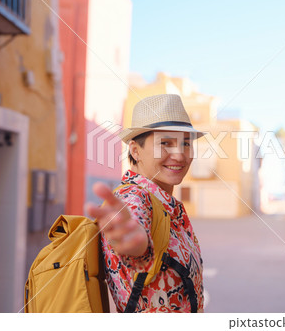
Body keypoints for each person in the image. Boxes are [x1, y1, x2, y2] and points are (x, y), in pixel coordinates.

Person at [87, 94, 205, 313]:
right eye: (166, 143)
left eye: (186, 143)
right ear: (135, 150)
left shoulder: (168, 204)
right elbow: (138, 245)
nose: (179, 155)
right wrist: (137, 245)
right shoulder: (133, 198)